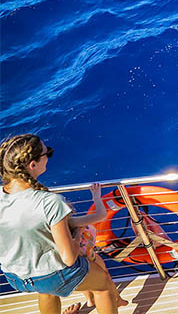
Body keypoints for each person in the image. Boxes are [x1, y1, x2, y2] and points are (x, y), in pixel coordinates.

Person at [0, 134, 120, 314]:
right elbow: (69, 258)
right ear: (33, 165)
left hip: (15, 276)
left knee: (47, 291)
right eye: (47, 153)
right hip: (51, 276)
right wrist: (78, 232)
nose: (48, 155)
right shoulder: (50, 202)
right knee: (103, 284)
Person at [68, 183, 128, 310]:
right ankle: (118, 299)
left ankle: (89, 300)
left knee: (84, 281)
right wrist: (96, 197)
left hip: (77, 264)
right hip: (91, 259)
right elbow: (101, 215)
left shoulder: (59, 230)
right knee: (105, 279)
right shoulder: (74, 224)